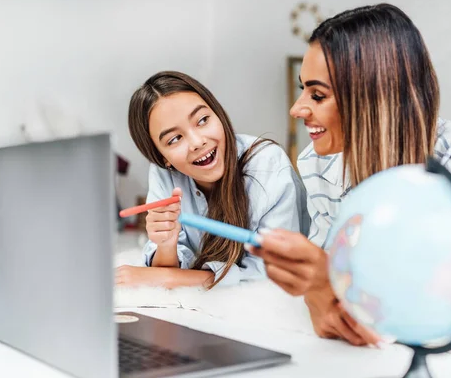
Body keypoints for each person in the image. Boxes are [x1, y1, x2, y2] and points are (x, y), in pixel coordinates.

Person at [247, 3, 451, 346]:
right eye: (302, 88)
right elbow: (331, 266)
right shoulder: (315, 163)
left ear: (370, 95)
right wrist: (315, 294)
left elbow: (450, 282)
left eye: (317, 95)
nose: (297, 108)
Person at [117, 71, 309, 288]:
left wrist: (170, 278)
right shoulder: (164, 174)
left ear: (218, 113)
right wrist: (166, 245)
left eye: (202, 120)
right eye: (175, 139)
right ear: (162, 157)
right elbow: (166, 272)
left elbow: (274, 273)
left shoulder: (267, 163)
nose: (197, 142)